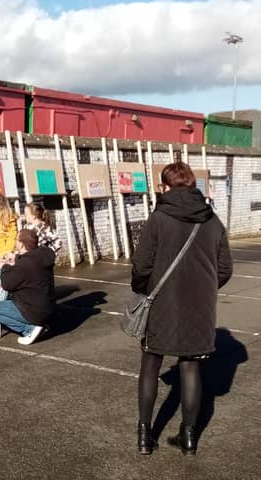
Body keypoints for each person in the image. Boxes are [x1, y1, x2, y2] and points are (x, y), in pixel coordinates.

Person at [131, 162, 232, 456]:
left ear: (166, 186)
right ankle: (188, 439)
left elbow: (141, 265)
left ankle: (145, 438)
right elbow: (224, 268)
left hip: (162, 302)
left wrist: (143, 288)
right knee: (190, 368)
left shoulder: (159, 218)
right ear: (192, 185)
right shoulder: (212, 220)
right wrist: (205, 287)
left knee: (150, 365)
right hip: (199, 305)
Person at [0, 229, 55, 345]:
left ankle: (29, 328)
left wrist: (5, 266)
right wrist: (16, 258)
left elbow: (7, 284)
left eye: (16, 240)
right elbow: (29, 260)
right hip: (47, 306)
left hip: (32, 309)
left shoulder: (24, 265)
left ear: (21, 244)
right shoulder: (43, 254)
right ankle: (38, 324)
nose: (15, 242)